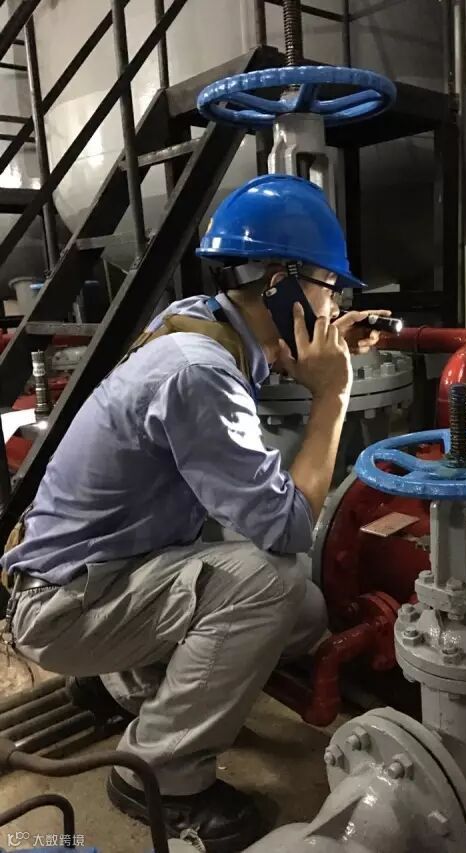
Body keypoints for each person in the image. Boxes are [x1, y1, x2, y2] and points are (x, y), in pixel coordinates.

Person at [1, 174, 387, 852]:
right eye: (329, 288)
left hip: (93, 572)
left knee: (303, 613)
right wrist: (332, 394)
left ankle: (125, 683)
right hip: (63, 605)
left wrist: (312, 348)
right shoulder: (200, 373)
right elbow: (288, 526)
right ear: (283, 285)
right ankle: (160, 774)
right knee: (271, 581)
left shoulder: (197, 323)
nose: (334, 307)